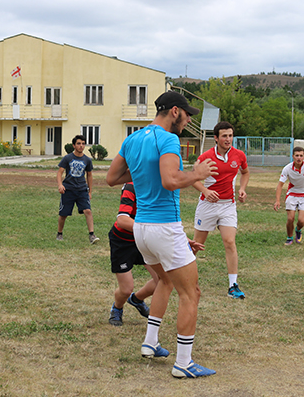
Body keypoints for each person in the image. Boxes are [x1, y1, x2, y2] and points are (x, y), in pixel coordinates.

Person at [106, 90, 217, 379]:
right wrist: (198, 173)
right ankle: (184, 363)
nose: (188, 120)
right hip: (164, 227)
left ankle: (151, 342)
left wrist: (144, 173)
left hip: (141, 229)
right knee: (191, 292)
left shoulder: (132, 139)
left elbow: (111, 178)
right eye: (187, 114)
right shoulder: (168, 139)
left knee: (165, 281)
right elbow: (170, 181)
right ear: (175, 112)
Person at [192, 121, 249, 299]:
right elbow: (192, 178)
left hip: (228, 206)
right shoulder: (206, 157)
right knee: (196, 246)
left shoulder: (239, 155)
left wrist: (242, 189)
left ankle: (233, 286)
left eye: (230, 135)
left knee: (230, 243)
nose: (228, 139)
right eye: (224, 136)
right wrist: (205, 191)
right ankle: (187, 281)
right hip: (207, 206)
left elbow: (245, 173)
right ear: (216, 138)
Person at [108, 182, 160, 326]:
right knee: (125, 289)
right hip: (123, 241)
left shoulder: (160, 187)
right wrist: (147, 229)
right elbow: (122, 220)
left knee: (163, 280)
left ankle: (136, 299)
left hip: (144, 240)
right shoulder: (132, 186)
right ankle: (117, 308)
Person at [56, 134, 98, 244]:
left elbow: (89, 175)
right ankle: (59, 233)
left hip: (82, 190)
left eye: (83, 144)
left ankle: (92, 235)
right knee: (63, 214)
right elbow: (60, 172)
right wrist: (60, 185)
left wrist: (90, 191)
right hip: (68, 190)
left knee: (87, 211)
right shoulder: (67, 158)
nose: (81, 146)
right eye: (79, 143)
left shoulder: (87, 160)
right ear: (74, 145)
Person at [274, 146, 304, 245]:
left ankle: (298, 230)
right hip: (292, 194)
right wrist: (277, 200)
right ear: (293, 156)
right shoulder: (287, 168)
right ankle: (289, 238)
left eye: (301, 156)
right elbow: (280, 185)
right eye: (297, 155)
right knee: (290, 218)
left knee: (301, 221)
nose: (299, 158)